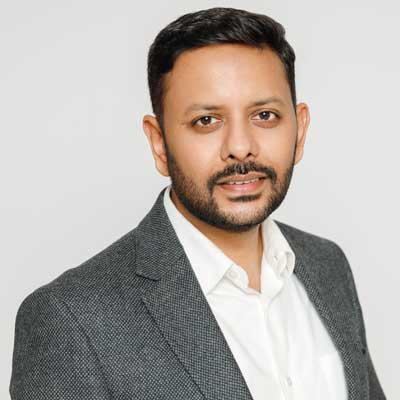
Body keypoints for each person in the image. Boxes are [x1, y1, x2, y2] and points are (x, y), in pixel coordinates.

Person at [10, 7, 385, 400]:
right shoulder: (71, 320)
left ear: (300, 129)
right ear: (159, 143)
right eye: (206, 121)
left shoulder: (328, 266)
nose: (240, 147)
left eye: (265, 115)